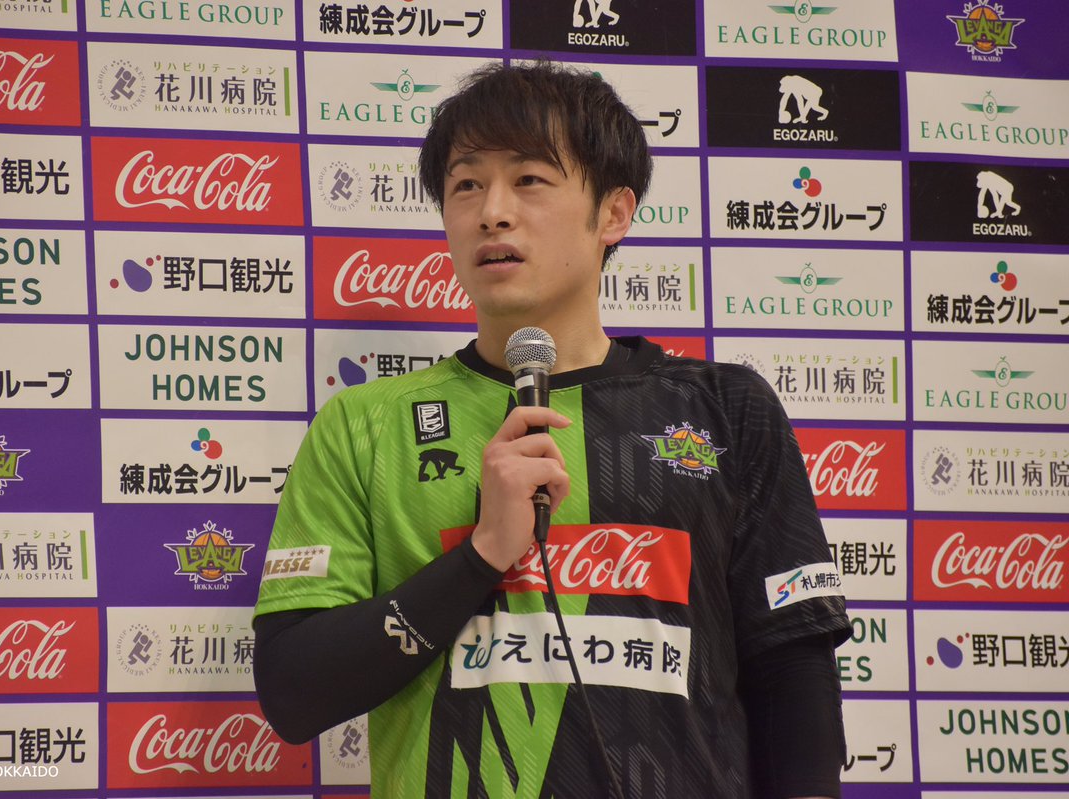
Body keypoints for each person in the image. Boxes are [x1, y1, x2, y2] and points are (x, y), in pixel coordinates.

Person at [253, 62, 851, 798]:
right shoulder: (364, 425)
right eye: (466, 185)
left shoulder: (727, 409)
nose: (492, 212)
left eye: (530, 179)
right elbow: (294, 693)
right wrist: (481, 556)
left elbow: (793, 670)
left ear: (614, 213)